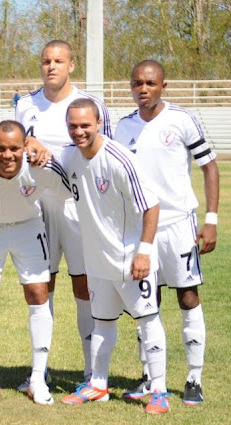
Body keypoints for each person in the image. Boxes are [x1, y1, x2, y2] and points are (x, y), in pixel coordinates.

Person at [115, 59, 218, 405]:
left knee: (187, 296)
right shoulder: (123, 127)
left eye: (150, 83)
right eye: (136, 84)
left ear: (163, 86)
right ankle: (149, 375)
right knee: (147, 301)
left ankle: (194, 377)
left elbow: (210, 167)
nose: (143, 90)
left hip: (178, 225)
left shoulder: (182, 119)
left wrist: (211, 219)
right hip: (141, 229)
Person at [58, 99, 169, 415]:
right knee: (102, 323)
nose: (79, 132)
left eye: (85, 125)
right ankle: (99, 384)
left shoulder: (120, 159)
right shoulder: (71, 156)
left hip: (131, 259)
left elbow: (151, 204)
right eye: (73, 126)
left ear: (98, 124)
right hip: (97, 261)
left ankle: (158, 391)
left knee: (147, 320)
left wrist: (143, 252)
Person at [14, 39, 112, 388]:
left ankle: (90, 371)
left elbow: (105, 156)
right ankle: (39, 372)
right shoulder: (24, 104)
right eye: (45, 61)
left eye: (58, 61)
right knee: (42, 286)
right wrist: (28, 143)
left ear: (72, 65)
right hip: (37, 206)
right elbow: (14, 143)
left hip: (77, 207)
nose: (51, 66)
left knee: (85, 286)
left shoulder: (88, 104)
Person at [0, 120, 69, 405]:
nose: (8, 155)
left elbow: (67, 186)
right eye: (1, 148)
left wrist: (45, 150)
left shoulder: (39, 165)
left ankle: (38, 379)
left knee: (38, 294)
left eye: (15, 148)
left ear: (25, 146)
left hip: (28, 228)